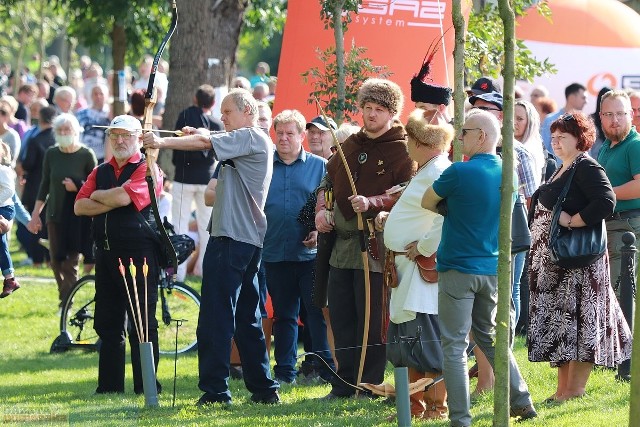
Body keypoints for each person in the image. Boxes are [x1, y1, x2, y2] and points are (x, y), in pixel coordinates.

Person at [142, 88, 280, 405]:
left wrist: (160, 142)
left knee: (216, 317)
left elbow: (207, 142)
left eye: (228, 112)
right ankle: (264, 389)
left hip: (232, 239)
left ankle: (216, 391)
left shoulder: (252, 135)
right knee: (246, 317)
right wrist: (195, 132)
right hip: (245, 241)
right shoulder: (249, 140)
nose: (223, 118)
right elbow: (209, 137)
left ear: (247, 111)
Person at [421, 109, 537, 425]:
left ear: (481, 136)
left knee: (455, 347)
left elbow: (427, 201)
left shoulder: (458, 172)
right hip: (492, 269)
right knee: (491, 339)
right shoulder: (508, 173)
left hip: (458, 268)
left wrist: (450, 207)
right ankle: (521, 399)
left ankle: (460, 418)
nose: (459, 138)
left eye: (464, 132)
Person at [315, 78, 413, 399]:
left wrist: (375, 203)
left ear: (391, 113)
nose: (371, 115)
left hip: (374, 245)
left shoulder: (403, 149)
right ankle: (344, 384)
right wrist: (321, 210)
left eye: (379, 109)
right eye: (367, 108)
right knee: (342, 316)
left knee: (371, 320)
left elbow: (408, 193)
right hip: (340, 247)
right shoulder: (351, 145)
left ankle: (368, 384)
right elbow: (327, 183)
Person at [528, 111, 632, 402]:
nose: (556, 141)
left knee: (580, 324)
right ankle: (562, 390)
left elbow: (606, 199)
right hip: (556, 266)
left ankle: (574, 391)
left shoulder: (586, 166)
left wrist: (574, 220)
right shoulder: (562, 166)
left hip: (578, 264)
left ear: (580, 139)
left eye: (563, 136)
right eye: (554, 136)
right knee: (562, 327)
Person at [74, 115, 162, 394]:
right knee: (108, 323)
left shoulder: (147, 169)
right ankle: (110, 386)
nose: (120, 141)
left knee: (142, 322)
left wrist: (99, 196)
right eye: (115, 136)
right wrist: (110, 196)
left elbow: (126, 199)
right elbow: (79, 207)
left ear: (138, 138)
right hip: (106, 254)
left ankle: (145, 385)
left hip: (138, 256)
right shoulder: (100, 170)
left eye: (126, 135)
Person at [377, 109, 453, 420]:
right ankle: (415, 406)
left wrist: (422, 248)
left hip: (420, 270)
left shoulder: (437, 172)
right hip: (405, 270)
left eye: (410, 138)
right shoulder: (427, 169)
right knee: (407, 343)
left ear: (421, 141)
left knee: (426, 341)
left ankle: (436, 408)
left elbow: (443, 219)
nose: (407, 143)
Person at [263, 109, 334, 384]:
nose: (283, 139)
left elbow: (329, 203)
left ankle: (326, 369)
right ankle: (285, 372)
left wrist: (318, 228)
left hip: (310, 254)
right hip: (274, 251)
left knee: (315, 312)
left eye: (289, 133)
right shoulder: (265, 164)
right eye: (279, 133)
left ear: (302, 136)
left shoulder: (320, 166)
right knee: (284, 315)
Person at [27, 113, 97, 306]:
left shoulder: (86, 155)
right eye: (60, 130)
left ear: (76, 131)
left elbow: (95, 186)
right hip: (54, 214)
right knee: (55, 261)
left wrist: (77, 187)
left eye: (68, 130)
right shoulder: (51, 153)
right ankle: (64, 297)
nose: (64, 133)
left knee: (70, 262)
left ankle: (67, 303)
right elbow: (44, 184)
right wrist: (36, 213)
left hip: (77, 218)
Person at [171, 84, 223, 280]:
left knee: (180, 224)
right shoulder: (216, 124)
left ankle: (179, 272)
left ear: (195, 99)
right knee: (205, 227)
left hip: (184, 177)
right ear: (213, 103)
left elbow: (176, 147)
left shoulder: (184, 116)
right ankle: (203, 269)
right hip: (206, 178)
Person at [21, 106, 57, 268]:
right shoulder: (58, 140)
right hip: (55, 189)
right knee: (51, 225)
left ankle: (37, 260)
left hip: (36, 187)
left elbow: (28, 164)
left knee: (34, 224)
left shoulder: (35, 140)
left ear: (41, 119)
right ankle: (50, 259)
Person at [540, 83, 587, 156]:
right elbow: (543, 149)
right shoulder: (550, 119)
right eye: (583, 98)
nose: (586, 101)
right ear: (572, 98)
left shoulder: (584, 122)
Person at [0, 142, 19, 298]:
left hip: (4, 208)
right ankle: (10, 278)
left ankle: (10, 278)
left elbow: (9, 191)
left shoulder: (3, 170)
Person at [75, 83, 111, 163]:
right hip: (84, 156)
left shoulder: (111, 114)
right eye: (95, 94)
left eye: (101, 94)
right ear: (91, 96)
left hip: (104, 158)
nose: (98, 96)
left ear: (106, 95)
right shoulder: (81, 114)